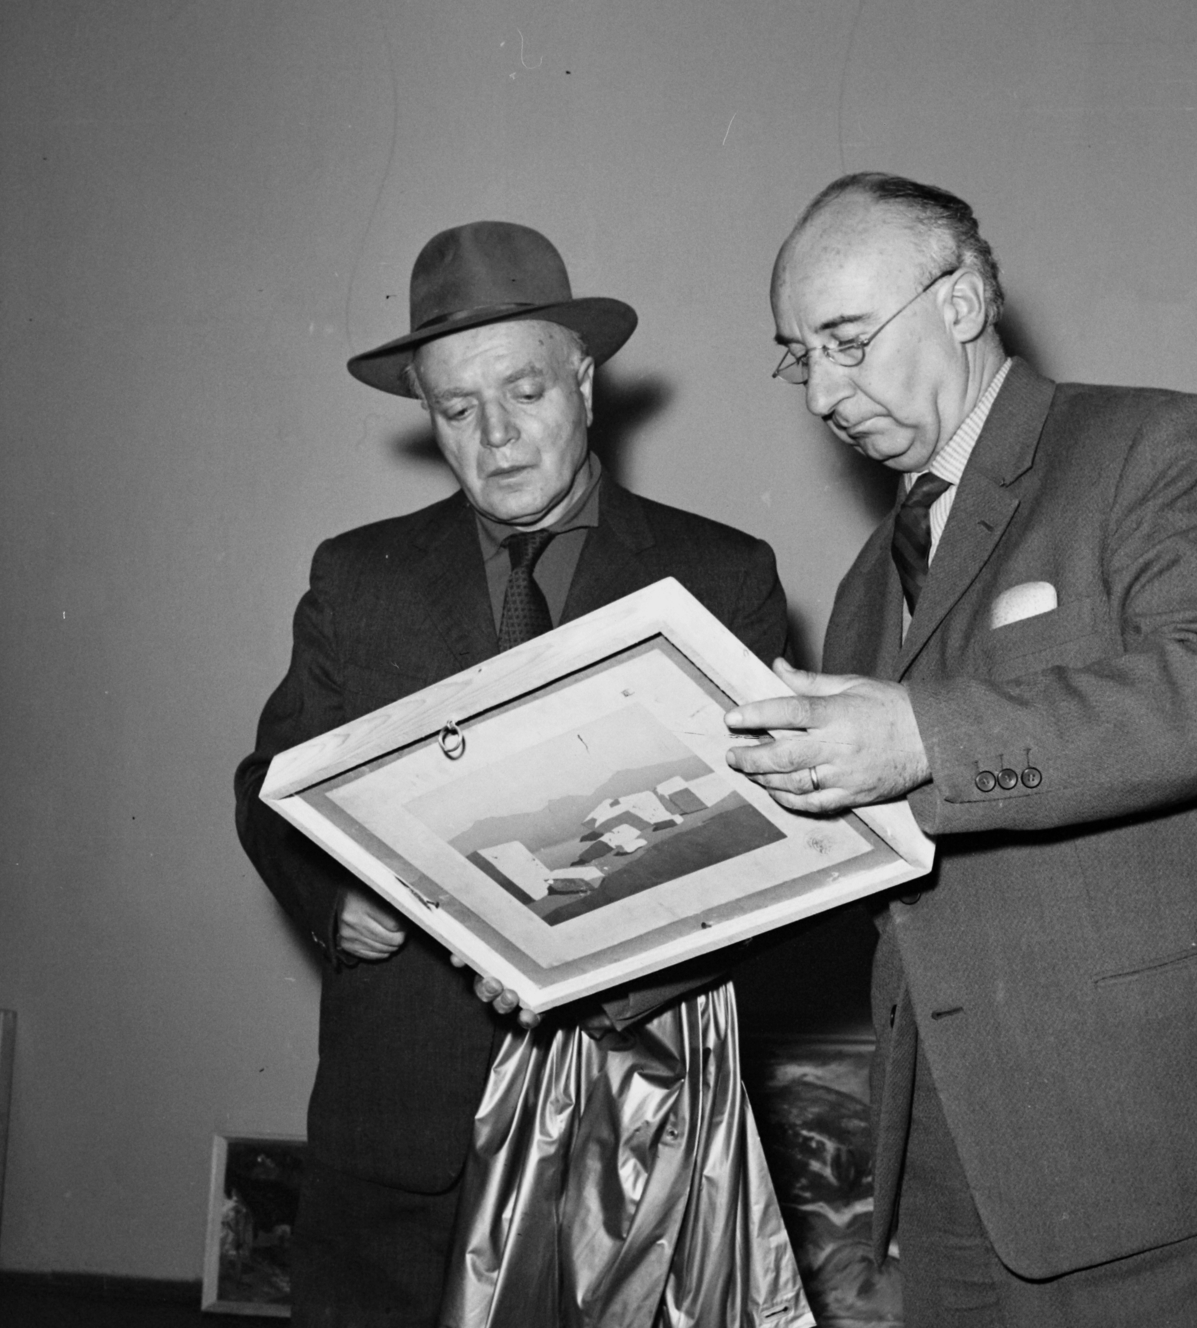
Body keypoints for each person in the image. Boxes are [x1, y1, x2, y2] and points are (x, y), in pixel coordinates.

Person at [724, 173, 1197, 1326]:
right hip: (955, 1168)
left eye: (846, 340)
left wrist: (919, 736)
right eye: (797, 356)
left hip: (1170, 1147)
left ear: (959, 300)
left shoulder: (1151, 442)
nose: (821, 391)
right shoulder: (869, 580)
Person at [235, 221, 806, 1328]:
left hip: (623, 1142)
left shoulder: (723, 575)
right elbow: (270, 781)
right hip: (400, 1135)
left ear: (585, 382)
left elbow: (763, 850)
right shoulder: (358, 578)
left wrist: (605, 971)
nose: (495, 437)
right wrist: (328, 892)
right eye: (455, 410)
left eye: (525, 392)